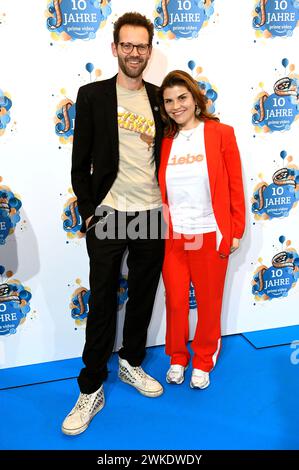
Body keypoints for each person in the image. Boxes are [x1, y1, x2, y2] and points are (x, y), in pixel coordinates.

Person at [62, 12, 165, 436]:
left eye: (142, 45)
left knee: (142, 295)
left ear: (149, 50)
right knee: (102, 298)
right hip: (107, 214)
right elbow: (79, 162)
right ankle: (90, 387)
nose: (135, 52)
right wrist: (89, 210)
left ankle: (131, 363)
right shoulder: (92, 96)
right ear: (115, 48)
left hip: (151, 213)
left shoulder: (163, 98)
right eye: (128, 45)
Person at [158, 70, 245, 389]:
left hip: (209, 233)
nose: (175, 106)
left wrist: (235, 229)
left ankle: (204, 359)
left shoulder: (220, 133)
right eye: (168, 101)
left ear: (195, 98)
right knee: (176, 302)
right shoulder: (166, 140)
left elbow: (235, 183)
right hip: (174, 236)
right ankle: (178, 357)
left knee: (209, 303)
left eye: (182, 97)